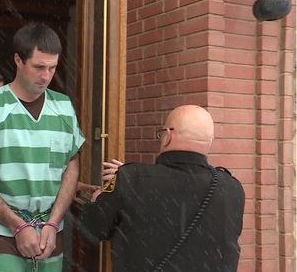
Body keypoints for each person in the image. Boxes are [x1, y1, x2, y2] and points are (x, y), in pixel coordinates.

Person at [0, 22, 85, 272]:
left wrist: (53, 223)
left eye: (52, 67)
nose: (46, 76)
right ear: (18, 60)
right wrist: (17, 225)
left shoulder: (63, 107)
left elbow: (71, 165)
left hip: (48, 234)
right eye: (39, 67)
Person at [79, 105, 245, 272]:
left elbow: (92, 229)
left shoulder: (132, 178)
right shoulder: (232, 188)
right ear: (209, 142)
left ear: (168, 136)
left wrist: (100, 197)